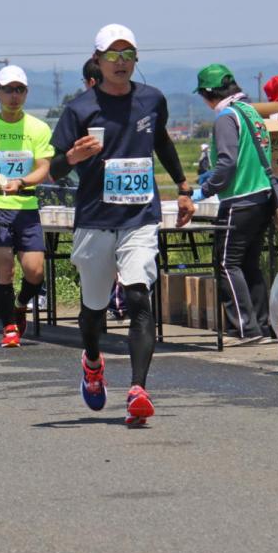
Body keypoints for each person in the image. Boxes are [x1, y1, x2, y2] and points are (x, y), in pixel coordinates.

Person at [50, 24, 194, 426]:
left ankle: (137, 389)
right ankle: (93, 361)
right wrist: (75, 157)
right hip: (95, 218)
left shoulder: (152, 100)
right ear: (97, 60)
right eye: (112, 55)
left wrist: (183, 186)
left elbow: (162, 141)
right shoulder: (80, 109)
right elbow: (55, 168)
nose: (121, 62)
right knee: (93, 310)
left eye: (128, 54)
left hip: (139, 217)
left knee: (137, 297)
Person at [194, 64, 275, 344]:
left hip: (239, 199)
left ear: (208, 93)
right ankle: (262, 326)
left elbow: (227, 162)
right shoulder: (252, 112)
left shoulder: (226, 118)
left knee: (227, 263)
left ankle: (244, 327)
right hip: (262, 198)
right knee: (249, 263)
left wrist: (203, 190)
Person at [0, 65, 52, 347]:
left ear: (26, 93)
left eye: (19, 89)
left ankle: (21, 303)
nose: (14, 95)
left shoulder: (38, 128)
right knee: (4, 268)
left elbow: (43, 167)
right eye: (8, 90)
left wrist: (21, 182)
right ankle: (9, 325)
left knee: (35, 271)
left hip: (26, 205)